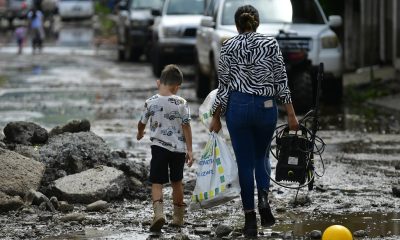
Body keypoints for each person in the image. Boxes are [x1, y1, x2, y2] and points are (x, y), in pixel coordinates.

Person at [209, 5, 299, 238]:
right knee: (261, 157)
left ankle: (250, 220)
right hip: (265, 107)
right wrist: (291, 114)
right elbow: (281, 81)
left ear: (237, 25)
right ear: (256, 23)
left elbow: (224, 86)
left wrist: (216, 116)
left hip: (238, 108)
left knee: (244, 163)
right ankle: (264, 202)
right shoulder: (270, 44)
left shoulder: (228, 46)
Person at [137, 64, 193, 232]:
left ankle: (159, 214)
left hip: (159, 148)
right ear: (177, 87)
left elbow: (141, 122)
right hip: (178, 150)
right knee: (177, 182)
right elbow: (186, 126)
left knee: (157, 182)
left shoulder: (151, 102)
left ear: (159, 82)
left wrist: (140, 133)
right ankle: (178, 217)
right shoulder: (182, 103)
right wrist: (189, 150)